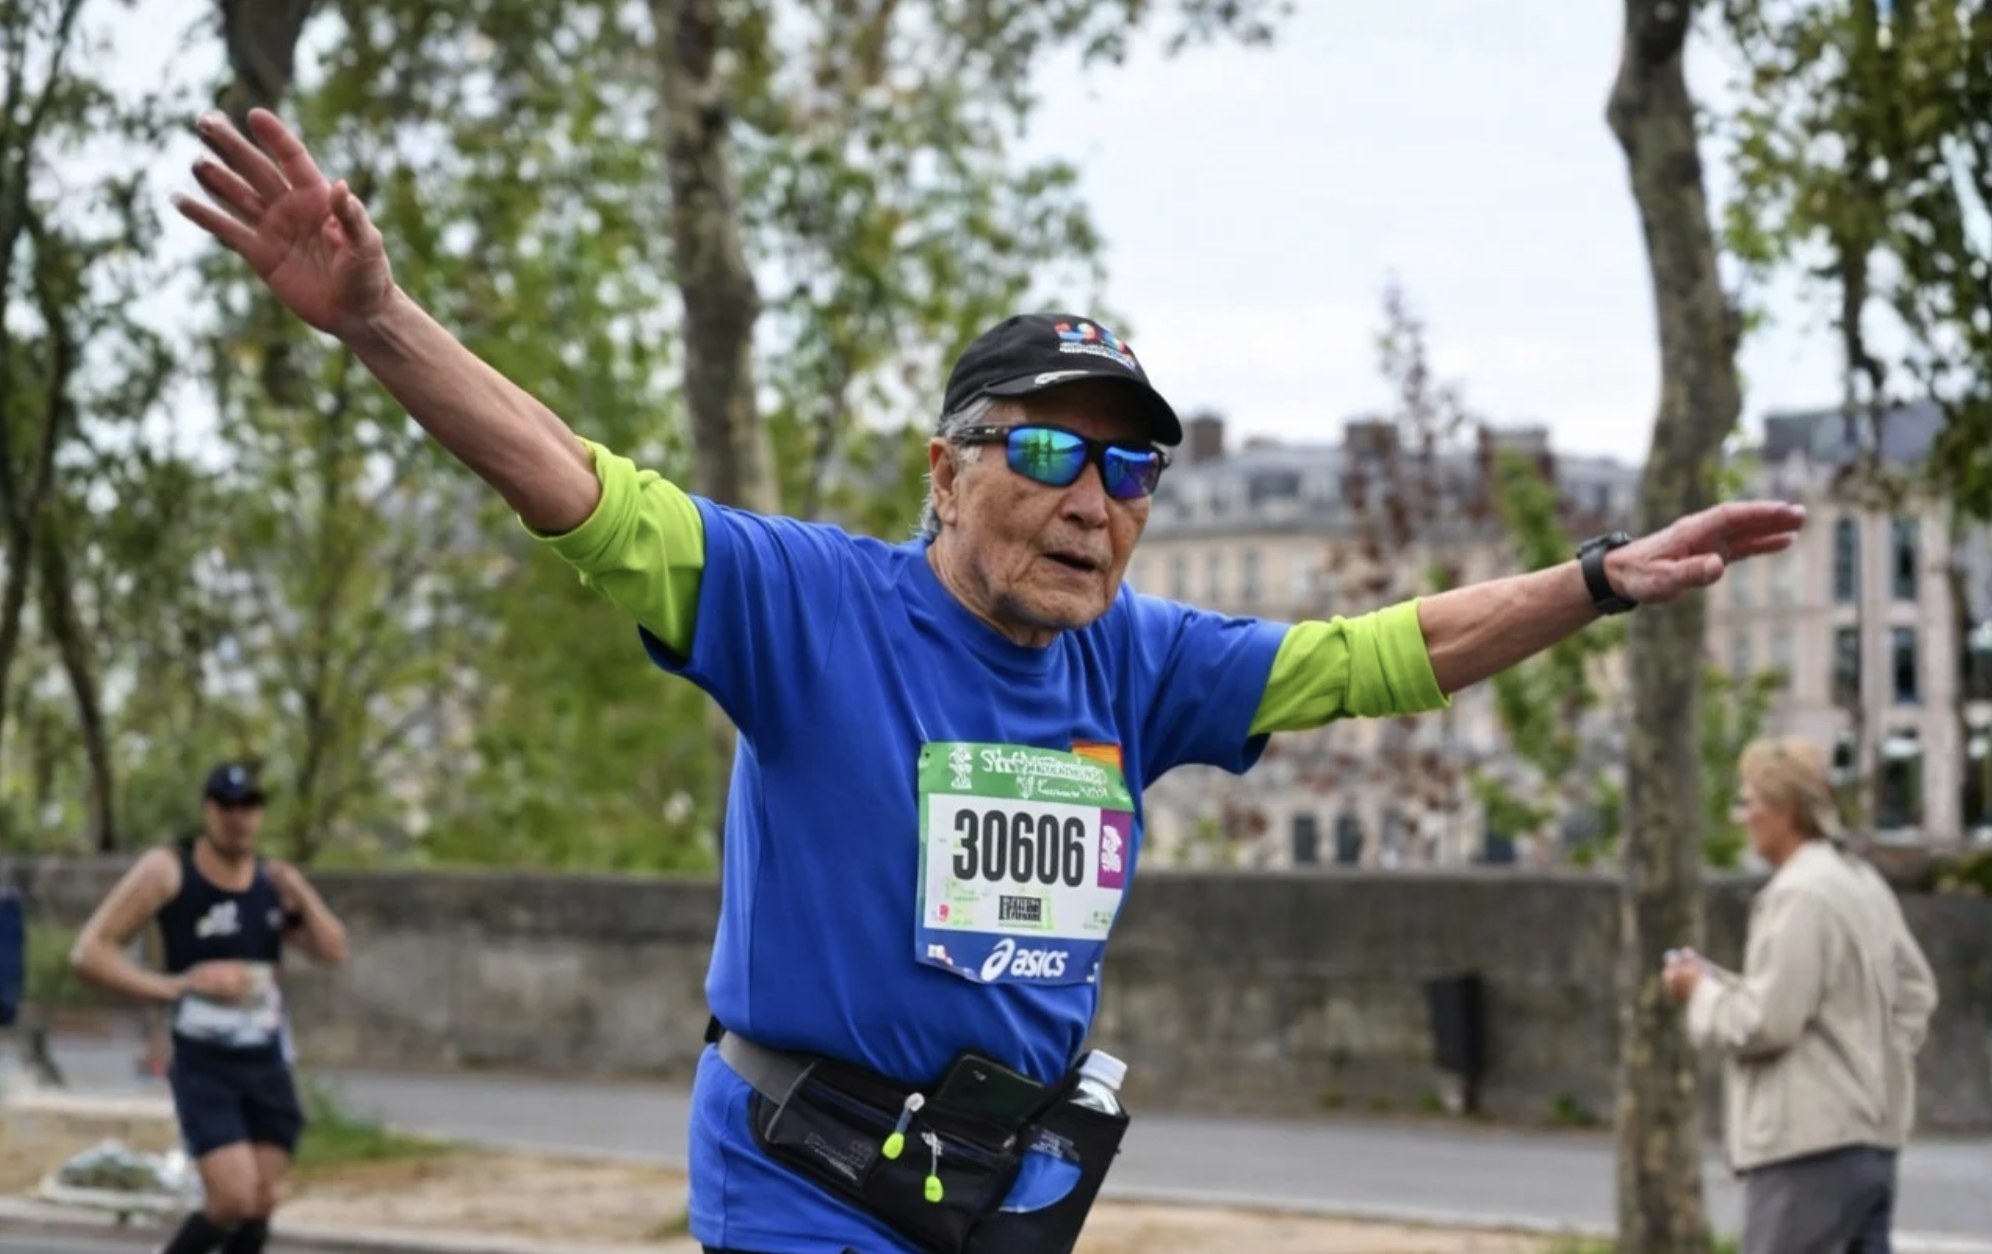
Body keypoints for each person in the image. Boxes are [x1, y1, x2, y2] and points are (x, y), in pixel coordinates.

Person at [171, 107, 1806, 1254]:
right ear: (945, 472)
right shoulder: (808, 604)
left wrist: (1591, 580)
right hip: (803, 1176)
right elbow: (574, 484)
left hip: (1000, 1184)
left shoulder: (1136, 658)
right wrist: (378, 319)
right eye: (1047, 448)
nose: (1093, 499)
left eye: (1129, 470)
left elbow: (1379, 652)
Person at [1664, 737, 1938, 1254]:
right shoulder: (1860, 882)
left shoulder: (1798, 894)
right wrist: (1868, 1067)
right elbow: (1915, 992)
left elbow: (1767, 1022)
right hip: (1872, 1144)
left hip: (1805, 1148)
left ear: (1786, 810)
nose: (1740, 815)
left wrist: (1698, 992)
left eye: (1748, 801)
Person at [70, 762, 350, 1254]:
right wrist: (174, 986)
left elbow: (332, 950)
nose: (239, 818)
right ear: (208, 810)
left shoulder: (270, 883)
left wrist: (301, 890)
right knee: (231, 1197)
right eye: (227, 806)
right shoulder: (170, 870)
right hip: (205, 1060)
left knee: (261, 1199)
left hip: (265, 1058)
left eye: (249, 807)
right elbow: (90, 952)